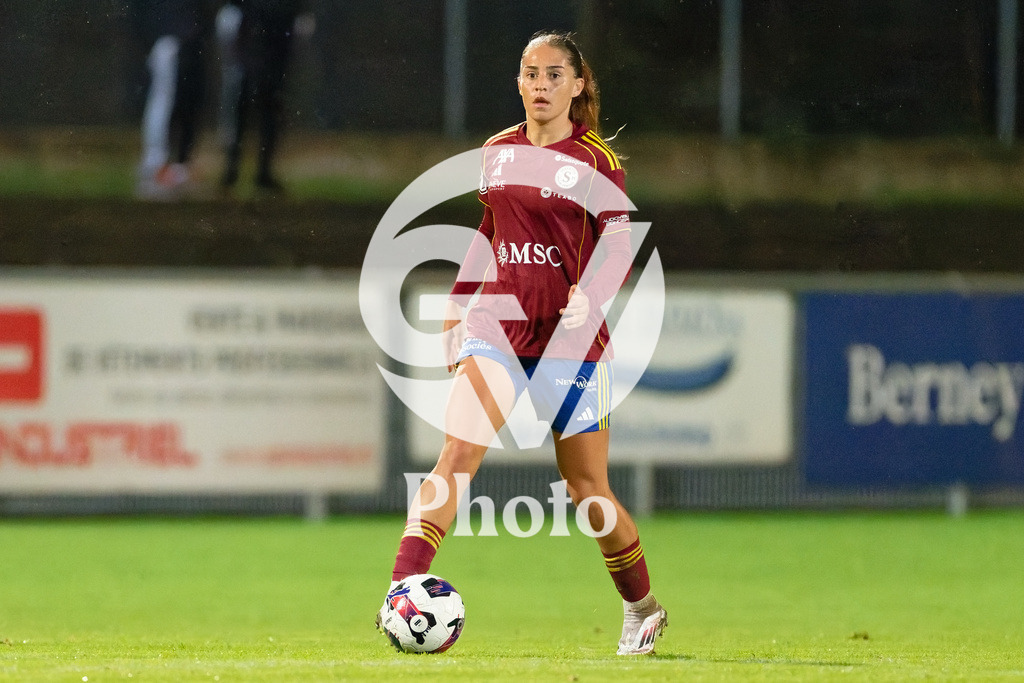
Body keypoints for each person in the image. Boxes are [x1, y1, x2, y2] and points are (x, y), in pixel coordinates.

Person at [378, 31, 667, 656]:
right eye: (530, 74)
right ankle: (402, 591)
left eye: (554, 75)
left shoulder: (595, 160)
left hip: (570, 340)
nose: (540, 85)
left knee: (589, 491)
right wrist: (460, 303)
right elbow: (488, 230)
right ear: (518, 83)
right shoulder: (497, 151)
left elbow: (618, 242)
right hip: (499, 325)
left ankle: (641, 606)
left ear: (578, 84)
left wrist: (593, 295)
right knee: (456, 458)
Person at [216, 0, 307, 194]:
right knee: (240, 103)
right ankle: (232, 170)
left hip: (275, 36)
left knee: (269, 107)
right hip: (250, 34)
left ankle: (262, 172)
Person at [131, 0, 209, 200]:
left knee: (185, 103)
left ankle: (177, 166)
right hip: (170, 38)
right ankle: (155, 166)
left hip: (187, 38)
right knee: (163, 101)